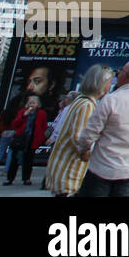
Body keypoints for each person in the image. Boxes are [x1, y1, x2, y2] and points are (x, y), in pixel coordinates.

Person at [75, 59, 129, 197]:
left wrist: (83, 149)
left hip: (102, 167)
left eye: (121, 71)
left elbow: (90, 133)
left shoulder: (111, 100)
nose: (118, 74)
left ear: (125, 75)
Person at [45, 65, 113, 197]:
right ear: (101, 84)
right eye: (109, 83)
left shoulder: (81, 101)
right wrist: (88, 152)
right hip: (69, 172)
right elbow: (79, 138)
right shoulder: (87, 105)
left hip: (64, 169)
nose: (110, 87)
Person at [3, 95, 48, 186]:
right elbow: (15, 124)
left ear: (38, 104)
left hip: (33, 139)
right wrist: (23, 116)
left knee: (29, 160)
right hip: (21, 138)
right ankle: (10, 178)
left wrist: (41, 137)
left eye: (34, 103)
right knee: (14, 160)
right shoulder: (22, 112)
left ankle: (26, 178)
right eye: (30, 103)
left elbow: (44, 126)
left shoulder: (41, 113)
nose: (32, 105)